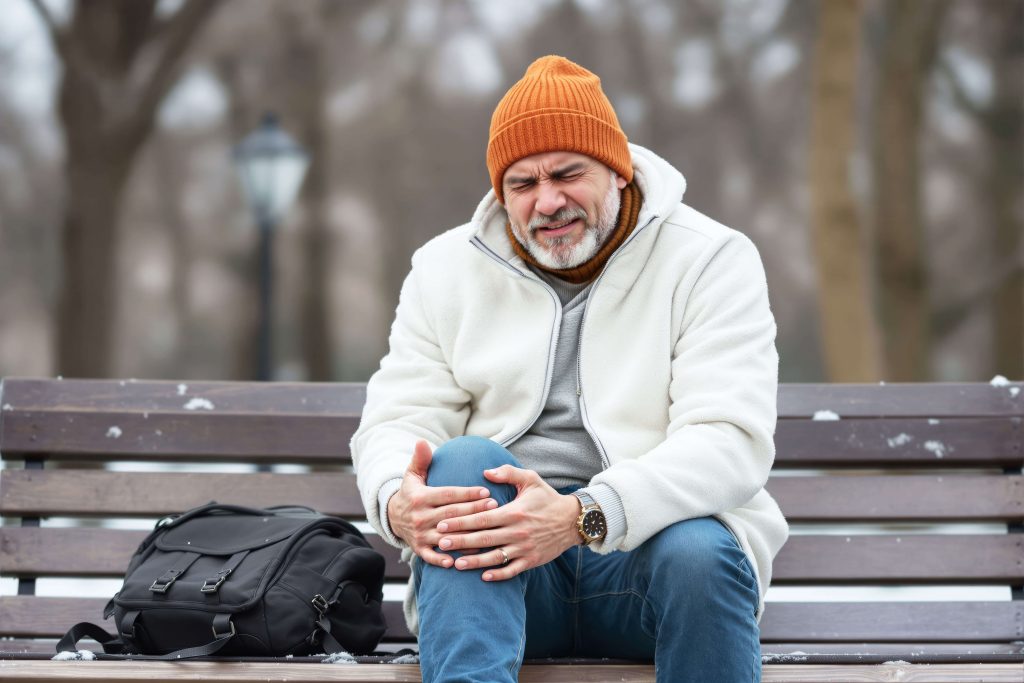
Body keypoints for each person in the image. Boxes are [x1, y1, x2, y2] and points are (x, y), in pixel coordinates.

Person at [351, 55, 789, 683]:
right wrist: (398, 501)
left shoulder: (710, 259)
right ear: (501, 194)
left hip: (651, 566)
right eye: (522, 184)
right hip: (505, 579)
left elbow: (729, 440)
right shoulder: (444, 269)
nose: (547, 202)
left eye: (567, 173)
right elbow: (398, 419)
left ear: (616, 168)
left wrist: (583, 514)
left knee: (699, 548)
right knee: (461, 465)